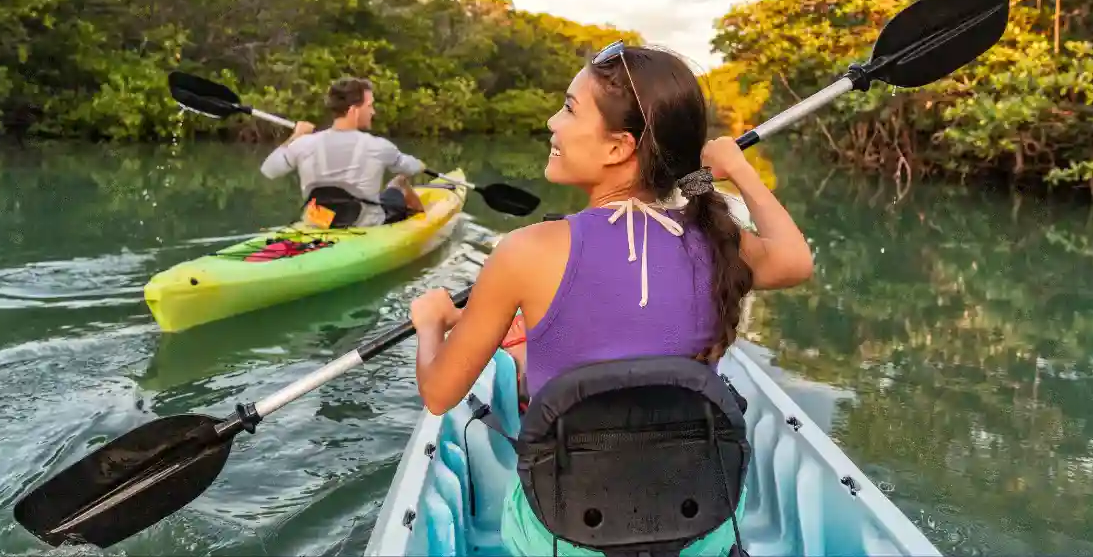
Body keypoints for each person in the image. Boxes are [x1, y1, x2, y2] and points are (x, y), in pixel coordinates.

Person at [407, 41, 815, 555]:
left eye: (570, 109)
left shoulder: (525, 251)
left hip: (565, 536)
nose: (553, 123)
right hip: (696, 529)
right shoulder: (718, 238)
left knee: (530, 367)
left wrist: (430, 321)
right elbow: (796, 261)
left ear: (619, 147)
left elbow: (440, 394)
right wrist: (739, 169)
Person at [260, 76, 426, 227]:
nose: (373, 112)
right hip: (365, 224)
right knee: (399, 182)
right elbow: (412, 168)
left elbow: (269, 169)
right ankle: (421, 221)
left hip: (319, 222)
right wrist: (421, 164)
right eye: (369, 106)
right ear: (354, 110)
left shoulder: (303, 143)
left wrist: (295, 136)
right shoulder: (379, 146)